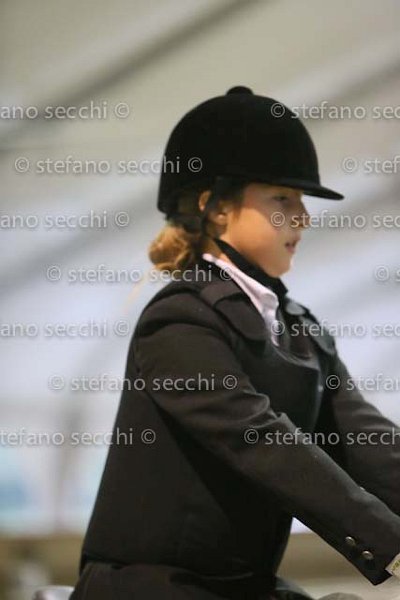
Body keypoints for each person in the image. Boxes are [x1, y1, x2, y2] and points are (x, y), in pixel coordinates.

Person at [70, 86, 400, 600]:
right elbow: (262, 440)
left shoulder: (301, 330)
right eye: (282, 199)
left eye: (301, 201)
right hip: (154, 588)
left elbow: (368, 440)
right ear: (217, 207)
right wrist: (392, 544)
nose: (303, 217)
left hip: (241, 588)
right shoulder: (179, 320)